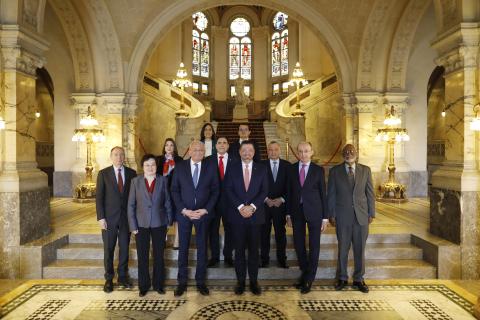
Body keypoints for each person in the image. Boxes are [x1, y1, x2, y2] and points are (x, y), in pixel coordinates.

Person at [171, 140, 220, 296]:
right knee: (183, 248)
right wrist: (183, 210)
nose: (198, 152)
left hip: (202, 214)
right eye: (195, 150)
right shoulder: (180, 167)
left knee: (202, 248)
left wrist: (205, 210)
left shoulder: (211, 168)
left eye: (201, 150)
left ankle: (201, 282)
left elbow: (215, 191)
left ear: (204, 152)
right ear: (190, 151)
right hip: (185, 214)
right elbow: (174, 190)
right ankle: (182, 282)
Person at [328, 144, 375, 293]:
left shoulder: (365, 170)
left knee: (360, 249)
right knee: (343, 249)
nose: (349, 154)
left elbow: (370, 194)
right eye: (346, 152)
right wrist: (332, 214)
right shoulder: (335, 171)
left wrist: (371, 213)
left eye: (351, 151)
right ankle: (342, 278)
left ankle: (358, 279)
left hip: (361, 217)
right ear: (342, 154)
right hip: (342, 217)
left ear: (356, 153)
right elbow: (331, 195)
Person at [225, 140, 268, 296]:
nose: (247, 153)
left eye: (250, 150)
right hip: (237, 217)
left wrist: (253, 207)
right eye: (244, 150)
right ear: (240, 152)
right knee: (239, 251)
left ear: (254, 152)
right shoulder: (232, 168)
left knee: (254, 252)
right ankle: (241, 281)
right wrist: (240, 207)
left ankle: (254, 281)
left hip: (256, 217)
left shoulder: (262, 169)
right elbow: (228, 190)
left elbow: (264, 191)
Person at [127, 154, 173, 297]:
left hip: (159, 223)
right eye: (147, 165)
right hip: (141, 224)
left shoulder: (163, 180)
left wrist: (168, 222)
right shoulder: (135, 181)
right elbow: (131, 205)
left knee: (159, 256)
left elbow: (167, 203)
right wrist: (133, 225)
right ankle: (144, 285)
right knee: (143, 256)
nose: (150, 167)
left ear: (156, 166)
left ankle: (159, 284)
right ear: (143, 167)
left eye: (153, 165)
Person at [286, 141, 328, 294]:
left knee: (314, 246)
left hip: (315, 212)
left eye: (306, 151)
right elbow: (289, 193)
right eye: (300, 151)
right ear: (297, 152)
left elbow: (323, 194)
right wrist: (288, 214)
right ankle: (305, 274)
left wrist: (325, 217)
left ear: (312, 152)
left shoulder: (318, 170)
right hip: (296, 212)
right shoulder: (291, 169)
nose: (303, 154)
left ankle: (309, 279)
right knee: (299, 245)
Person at [96, 146, 136, 293]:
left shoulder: (132, 173)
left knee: (124, 249)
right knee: (109, 249)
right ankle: (108, 279)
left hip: (126, 219)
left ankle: (123, 276)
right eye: (116, 154)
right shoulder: (103, 174)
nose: (119, 157)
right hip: (109, 219)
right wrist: (101, 217)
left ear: (124, 157)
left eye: (121, 155)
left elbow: (134, 198)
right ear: (111, 157)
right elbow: (99, 198)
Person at [205, 137, 235, 268]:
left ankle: (228, 255)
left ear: (228, 145)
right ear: (215, 146)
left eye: (224, 142)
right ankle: (215, 256)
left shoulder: (236, 160)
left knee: (230, 229)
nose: (222, 145)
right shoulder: (208, 161)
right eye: (219, 143)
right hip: (213, 202)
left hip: (230, 201)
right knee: (213, 229)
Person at [260, 141, 289, 269]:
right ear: (267, 151)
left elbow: (291, 188)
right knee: (264, 233)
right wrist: (266, 199)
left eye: (275, 149)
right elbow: (257, 186)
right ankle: (264, 259)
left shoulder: (287, 166)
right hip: (265, 206)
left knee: (280, 234)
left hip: (280, 206)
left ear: (279, 150)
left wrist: (281, 199)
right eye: (270, 150)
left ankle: (282, 259)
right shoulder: (260, 165)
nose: (273, 152)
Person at [156, 138, 183, 249]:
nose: (169, 147)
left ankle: (177, 241)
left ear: (174, 147)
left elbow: (182, 176)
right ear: (164, 147)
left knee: (177, 216)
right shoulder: (159, 160)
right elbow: (156, 175)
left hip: (176, 191)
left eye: (171, 145)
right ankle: (163, 240)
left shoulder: (179, 160)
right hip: (162, 191)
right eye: (167, 145)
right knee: (163, 215)